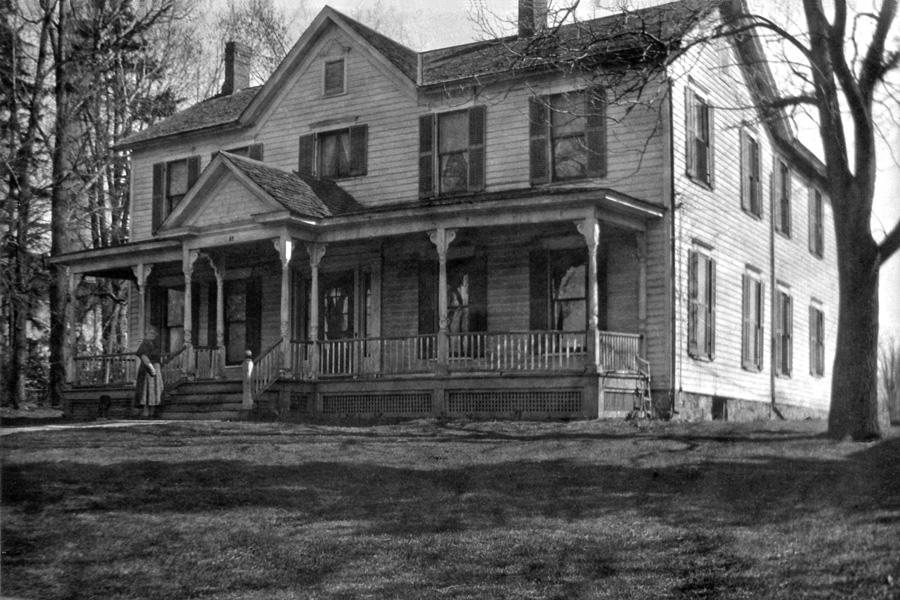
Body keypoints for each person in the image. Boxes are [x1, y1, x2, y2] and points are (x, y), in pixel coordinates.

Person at [134, 326, 164, 417]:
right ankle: (146, 412)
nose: (153, 335)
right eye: (151, 333)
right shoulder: (145, 344)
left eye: (154, 333)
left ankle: (152, 412)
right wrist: (151, 368)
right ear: (146, 333)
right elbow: (144, 357)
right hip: (148, 370)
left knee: (155, 390)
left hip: (155, 368)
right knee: (147, 390)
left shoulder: (152, 344)